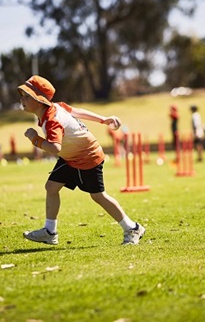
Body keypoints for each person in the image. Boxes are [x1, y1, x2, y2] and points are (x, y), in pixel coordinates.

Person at [17, 75, 146, 245]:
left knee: (98, 196)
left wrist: (35, 139)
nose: (22, 99)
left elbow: (55, 147)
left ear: (40, 101)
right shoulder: (57, 107)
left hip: (88, 156)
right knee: (51, 187)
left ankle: (132, 228)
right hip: (70, 157)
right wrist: (102, 119)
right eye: (23, 95)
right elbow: (76, 111)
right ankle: (50, 232)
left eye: (27, 96)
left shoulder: (52, 121)